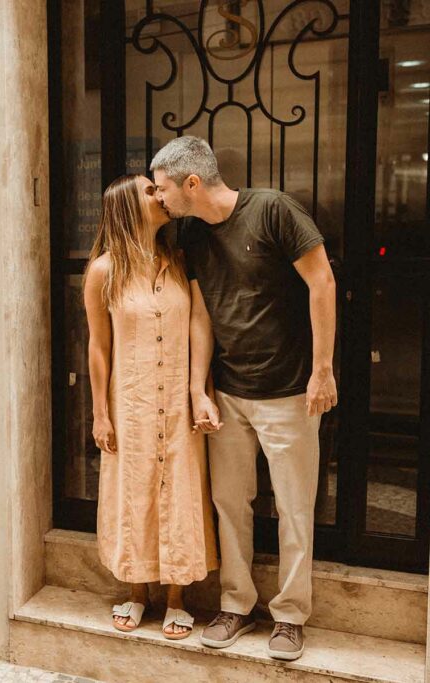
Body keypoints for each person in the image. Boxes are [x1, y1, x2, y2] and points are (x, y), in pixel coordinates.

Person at [150, 136, 337, 661]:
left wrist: (322, 371)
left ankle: (290, 615)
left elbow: (322, 282)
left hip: (289, 391)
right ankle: (237, 602)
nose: (159, 199)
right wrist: (198, 389)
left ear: (191, 183)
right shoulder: (190, 233)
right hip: (229, 393)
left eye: (163, 188)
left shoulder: (274, 210)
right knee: (230, 503)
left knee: (295, 508)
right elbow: (202, 314)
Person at [84, 174, 219, 640]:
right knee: (134, 491)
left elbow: (200, 322)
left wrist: (200, 390)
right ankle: (138, 592)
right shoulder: (104, 270)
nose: (160, 195)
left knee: (180, 490)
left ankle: (177, 597)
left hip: (178, 402)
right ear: (125, 205)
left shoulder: (179, 262)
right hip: (133, 403)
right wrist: (100, 412)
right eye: (148, 190)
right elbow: (98, 348)